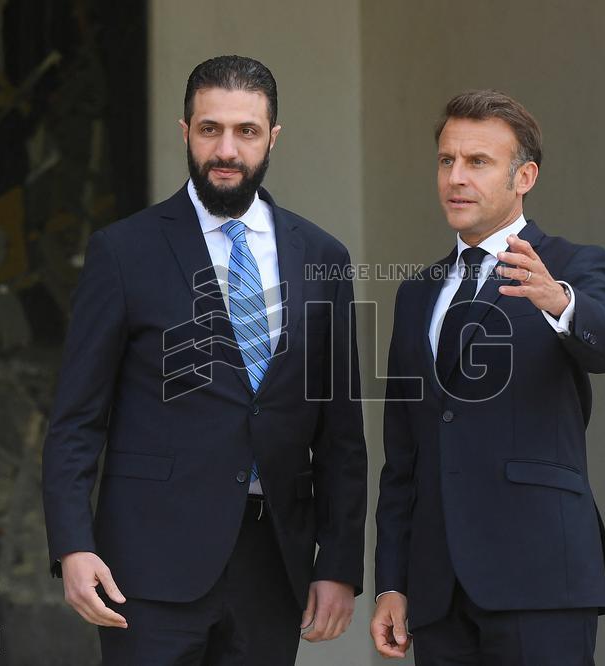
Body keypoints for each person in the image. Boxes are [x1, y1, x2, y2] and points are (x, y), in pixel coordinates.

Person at [42, 55, 367, 665]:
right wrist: (72, 544)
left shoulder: (324, 257)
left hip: (273, 565)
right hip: (146, 564)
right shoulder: (122, 251)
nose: (226, 150)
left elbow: (341, 432)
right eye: (209, 129)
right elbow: (76, 420)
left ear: (273, 138)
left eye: (246, 131)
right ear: (184, 131)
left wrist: (340, 563)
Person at [371, 89, 605, 664]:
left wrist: (559, 300)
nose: (456, 177)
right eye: (447, 160)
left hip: (540, 573)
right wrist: (392, 581)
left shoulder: (570, 265)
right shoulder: (416, 293)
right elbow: (403, 454)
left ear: (525, 177)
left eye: (478, 162)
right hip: (438, 590)